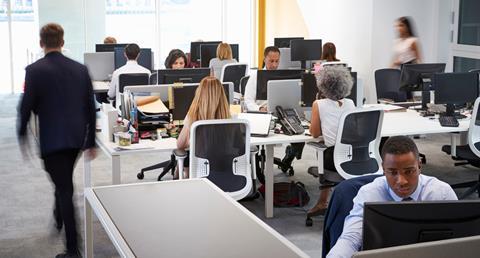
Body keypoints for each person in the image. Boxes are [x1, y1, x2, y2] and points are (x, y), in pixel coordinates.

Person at [17, 23, 96, 258]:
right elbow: (91, 108)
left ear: (41, 43)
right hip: (75, 138)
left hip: (52, 140)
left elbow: (26, 107)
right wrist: (90, 141)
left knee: (64, 190)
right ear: (62, 42)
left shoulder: (34, 70)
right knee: (62, 181)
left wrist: (22, 133)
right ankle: (58, 215)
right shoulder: (80, 69)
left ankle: (73, 250)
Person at [327, 136, 458, 258]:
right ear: (383, 169)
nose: (401, 181)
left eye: (409, 171)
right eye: (393, 172)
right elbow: (351, 238)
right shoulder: (369, 194)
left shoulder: (441, 194)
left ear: (419, 166)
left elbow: (460, 241)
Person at [308, 66, 356, 217]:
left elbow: (314, 133)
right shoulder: (350, 103)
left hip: (332, 159)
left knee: (322, 147)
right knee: (327, 147)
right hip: (352, 155)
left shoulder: (319, 104)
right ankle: (334, 201)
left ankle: (322, 201)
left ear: (322, 86)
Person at [176, 76, 231, 177]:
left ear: (199, 93)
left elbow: (180, 145)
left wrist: (189, 140)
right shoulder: (230, 119)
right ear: (222, 94)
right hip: (228, 175)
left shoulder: (192, 117)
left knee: (185, 156)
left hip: (200, 176)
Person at [107, 43, 151, 108]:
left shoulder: (117, 72)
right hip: (142, 108)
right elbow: (149, 93)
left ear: (125, 54)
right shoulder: (147, 72)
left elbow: (111, 95)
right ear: (138, 55)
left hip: (122, 109)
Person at [244, 46, 280, 112]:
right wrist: (260, 109)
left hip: (280, 113)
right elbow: (248, 101)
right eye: (271, 61)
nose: (274, 65)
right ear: (264, 59)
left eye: (277, 61)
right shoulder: (255, 77)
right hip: (262, 114)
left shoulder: (282, 77)